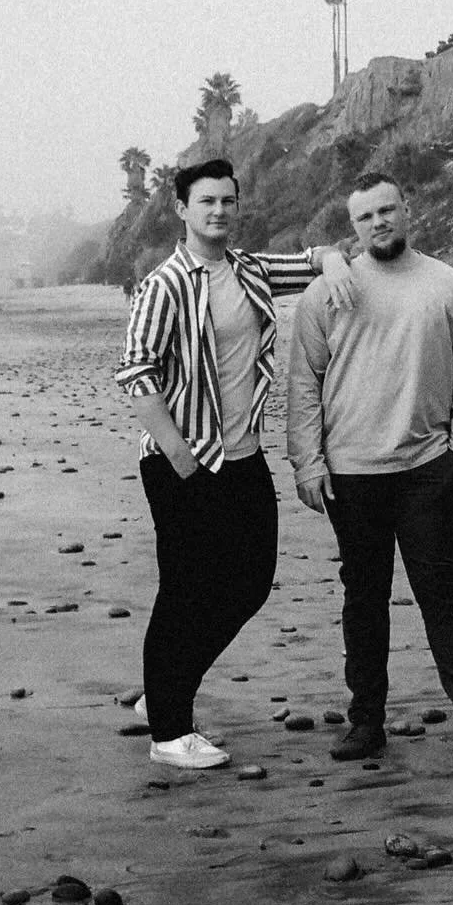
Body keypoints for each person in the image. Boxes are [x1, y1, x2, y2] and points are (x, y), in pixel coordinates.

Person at [116, 157, 355, 770]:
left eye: (227, 200)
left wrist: (330, 260)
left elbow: (312, 259)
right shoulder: (164, 284)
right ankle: (169, 732)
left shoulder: (247, 270)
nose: (218, 210)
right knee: (185, 592)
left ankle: (166, 681)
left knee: (250, 581)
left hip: (243, 457)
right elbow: (137, 373)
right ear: (181, 210)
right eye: (206, 202)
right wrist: (181, 457)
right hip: (184, 463)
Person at [285, 170, 453, 763]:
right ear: (353, 226)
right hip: (351, 472)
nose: (379, 223)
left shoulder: (451, 287)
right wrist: (307, 464)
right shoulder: (326, 295)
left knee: (444, 596)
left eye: (388, 210)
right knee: (362, 599)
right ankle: (366, 721)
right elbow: (302, 385)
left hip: (428, 469)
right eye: (366, 216)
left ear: (407, 209)